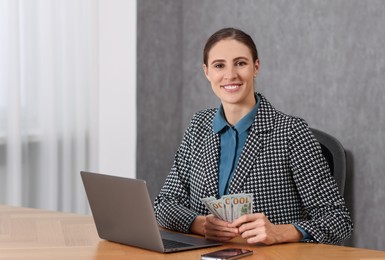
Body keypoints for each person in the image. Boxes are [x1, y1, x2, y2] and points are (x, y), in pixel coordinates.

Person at [154, 27, 353, 245]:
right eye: (219, 65)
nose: (230, 75)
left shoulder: (291, 132)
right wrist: (199, 223)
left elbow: (338, 220)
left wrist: (282, 232)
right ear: (206, 72)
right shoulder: (199, 126)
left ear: (255, 67)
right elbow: (164, 204)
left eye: (240, 63)